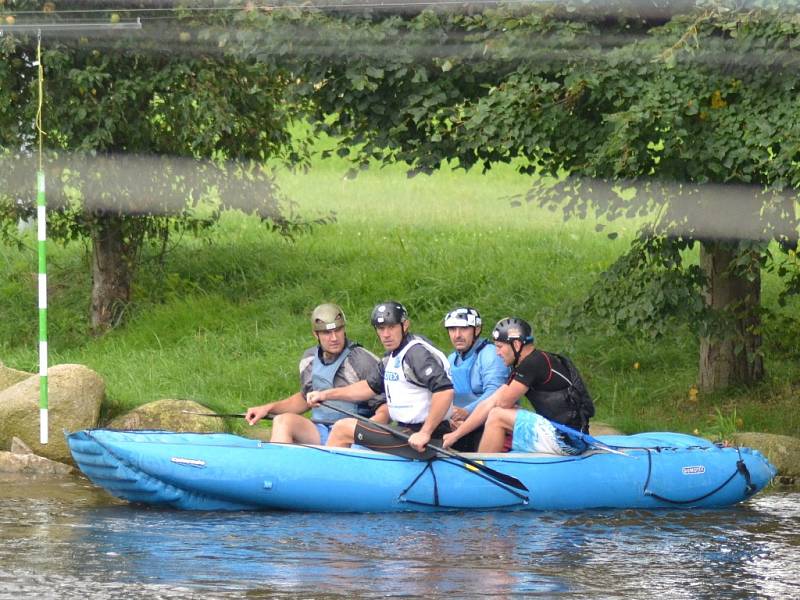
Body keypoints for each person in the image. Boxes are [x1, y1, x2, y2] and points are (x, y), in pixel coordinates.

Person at [307, 300, 454, 458]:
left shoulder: (415, 353)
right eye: (381, 328)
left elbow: (445, 391)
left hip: (425, 439)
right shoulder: (392, 356)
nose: (386, 334)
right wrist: (325, 395)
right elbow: (367, 387)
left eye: (391, 327)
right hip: (405, 432)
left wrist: (425, 432)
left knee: (343, 429)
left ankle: (328, 479)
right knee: (351, 435)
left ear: (405, 325)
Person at [442, 317, 594, 455]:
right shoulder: (530, 362)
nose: (497, 353)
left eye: (500, 347)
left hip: (568, 440)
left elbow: (500, 403)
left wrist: (457, 433)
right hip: (565, 434)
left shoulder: (533, 363)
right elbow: (490, 401)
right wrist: (456, 434)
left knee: (497, 415)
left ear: (516, 344)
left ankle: (483, 467)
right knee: (498, 409)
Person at [245, 303, 387, 444]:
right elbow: (304, 399)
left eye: (338, 330)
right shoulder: (309, 359)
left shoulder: (361, 360)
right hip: (320, 429)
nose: (334, 338)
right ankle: (279, 465)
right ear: (316, 334)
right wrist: (267, 408)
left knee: (341, 430)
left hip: (352, 434)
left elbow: (386, 405)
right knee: (283, 421)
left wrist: (371, 427)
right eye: (326, 333)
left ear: (344, 329)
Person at [442, 306, 509, 451]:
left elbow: (496, 393)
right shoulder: (451, 358)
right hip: (460, 424)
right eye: (452, 329)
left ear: (477, 330)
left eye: (464, 329)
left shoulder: (491, 354)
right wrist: (449, 417)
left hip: (488, 424)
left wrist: (466, 412)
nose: (457, 335)